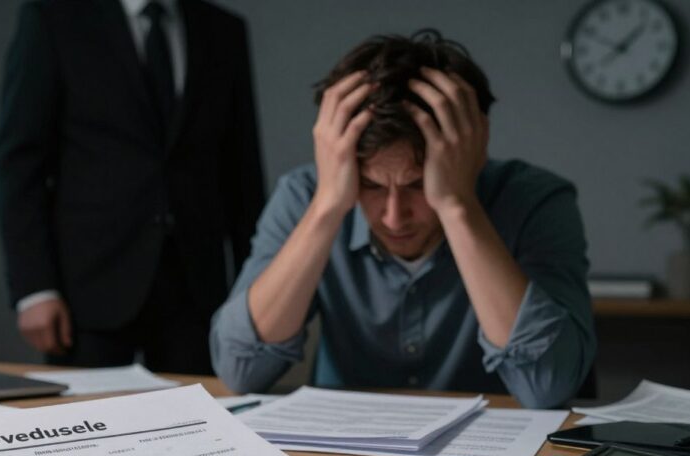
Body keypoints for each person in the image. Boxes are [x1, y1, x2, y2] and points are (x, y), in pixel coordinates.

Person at [210, 31, 596, 408]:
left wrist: (457, 205)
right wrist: (328, 206)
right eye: (372, 186)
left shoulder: (537, 201)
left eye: (417, 185)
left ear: (473, 153)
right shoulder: (305, 195)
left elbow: (547, 385)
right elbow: (240, 369)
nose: (395, 216)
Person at [0, 0, 264, 374]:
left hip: (196, 287)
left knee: (198, 421)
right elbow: (21, 164)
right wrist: (34, 288)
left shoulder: (223, 28)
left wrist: (257, 286)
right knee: (85, 423)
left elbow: (242, 170)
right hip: (88, 287)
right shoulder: (54, 17)